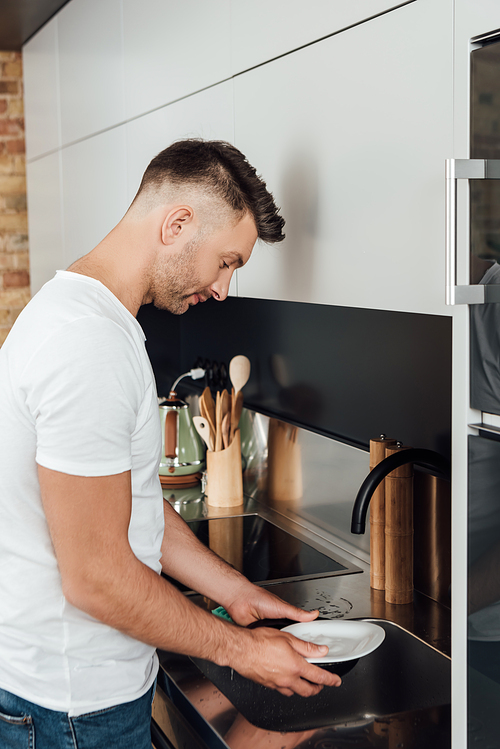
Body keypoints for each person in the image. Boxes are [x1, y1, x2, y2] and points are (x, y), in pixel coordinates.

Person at [0, 139, 341, 749]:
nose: (224, 289)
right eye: (226, 261)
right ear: (177, 223)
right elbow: (96, 578)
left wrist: (235, 593)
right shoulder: (89, 344)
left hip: (70, 698)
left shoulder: (90, 318)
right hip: (71, 713)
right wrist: (243, 652)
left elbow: (129, 503)